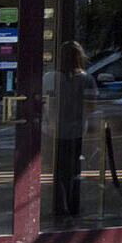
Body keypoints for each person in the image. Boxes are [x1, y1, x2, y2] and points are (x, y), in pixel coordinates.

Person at [44, 42, 90, 223]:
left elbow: (49, 103)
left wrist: (53, 122)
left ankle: (59, 206)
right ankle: (73, 206)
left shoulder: (50, 77)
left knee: (59, 169)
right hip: (78, 129)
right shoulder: (87, 79)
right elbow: (90, 105)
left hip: (56, 130)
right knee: (74, 169)